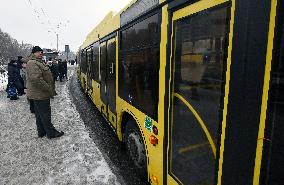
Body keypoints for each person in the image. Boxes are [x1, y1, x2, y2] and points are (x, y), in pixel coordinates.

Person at [26, 46, 64, 139]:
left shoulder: (37, 62)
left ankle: (42, 132)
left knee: (39, 114)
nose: (41, 54)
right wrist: (48, 88)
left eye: (41, 52)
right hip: (40, 93)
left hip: (39, 93)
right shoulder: (32, 63)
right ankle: (51, 133)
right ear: (33, 53)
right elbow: (36, 79)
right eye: (39, 52)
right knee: (45, 114)